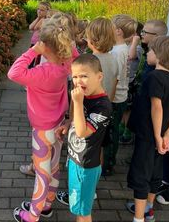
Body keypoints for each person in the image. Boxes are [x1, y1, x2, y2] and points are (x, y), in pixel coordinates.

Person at [8, 14, 74, 222]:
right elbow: (73, 54)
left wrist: (32, 50)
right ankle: (47, 205)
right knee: (54, 168)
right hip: (59, 125)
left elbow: (13, 73)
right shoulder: (65, 67)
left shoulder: (40, 73)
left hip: (41, 131)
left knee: (41, 172)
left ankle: (33, 214)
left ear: (44, 46)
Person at [57, 54, 112, 222]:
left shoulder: (102, 106)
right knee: (78, 205)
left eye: (84, 76)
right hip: (75, 160)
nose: (78, 81)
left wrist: (78, 102)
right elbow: (76, 119)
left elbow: (82, 132)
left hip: (86, 166)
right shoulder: (86, 95)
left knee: (83, 212)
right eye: (74, 76)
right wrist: (68, 124)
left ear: (99, 76)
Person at [126, 36, 169, 222]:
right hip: (162, 137)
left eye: (151, 51)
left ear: (160, 56)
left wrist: (155, 136)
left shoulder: (153, 77)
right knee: (156, 172)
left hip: (149, 136)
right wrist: (167, 135)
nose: (148, 53)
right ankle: (149, 209)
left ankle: (139, 218)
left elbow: (157, 107)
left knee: (141, 174)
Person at [102, 14, 137, 176]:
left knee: (111, 130)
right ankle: (109, 161)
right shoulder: (121, 49)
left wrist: (107, 100)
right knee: (113, 128)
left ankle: (108, 163)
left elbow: (114, 78)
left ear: (118, 31)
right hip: (120, 96)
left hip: (114, 98)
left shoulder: (117, 52)